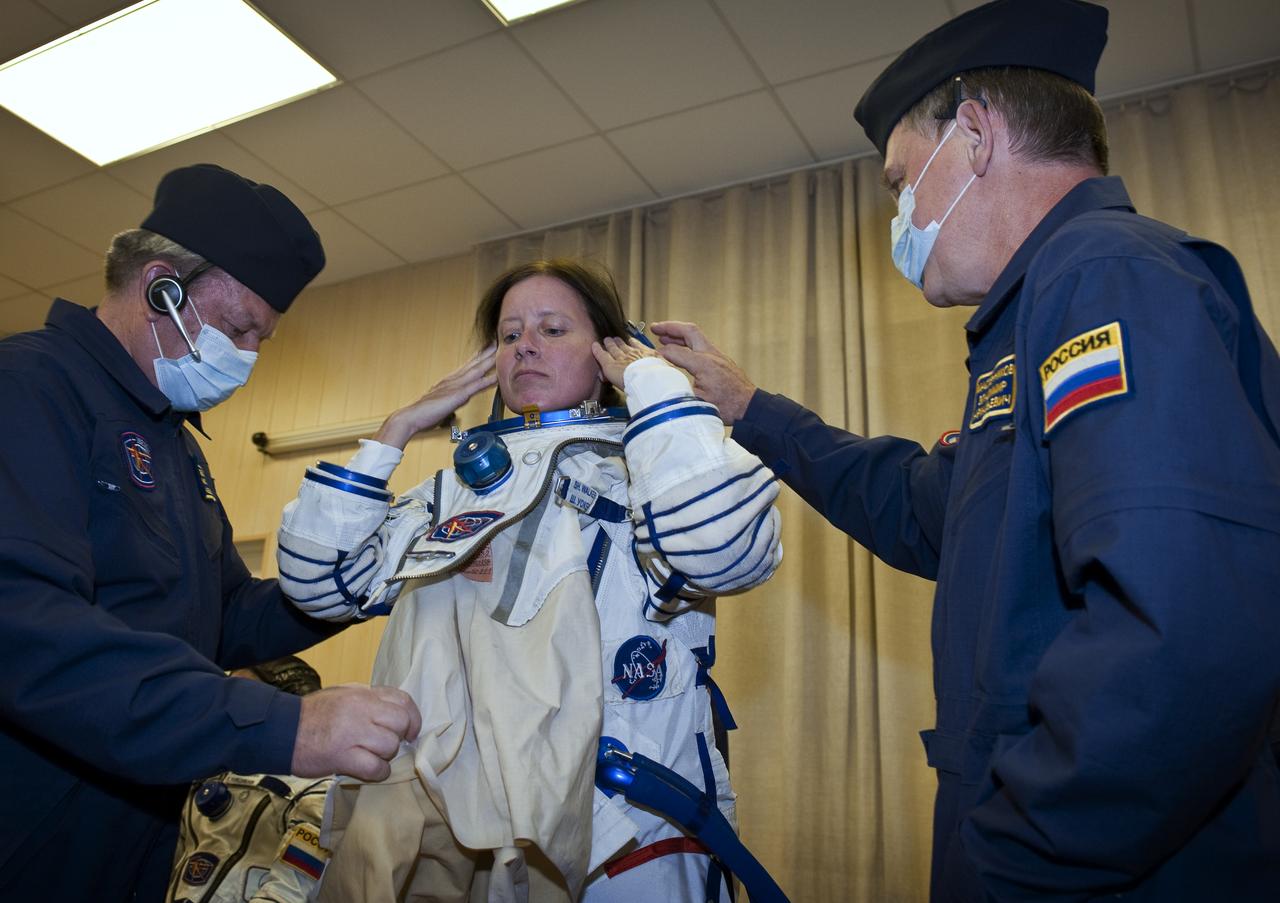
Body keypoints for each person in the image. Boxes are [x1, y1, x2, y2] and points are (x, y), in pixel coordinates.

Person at [651, 0, 1280, 899]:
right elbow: (924, 508)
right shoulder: (1037, 316)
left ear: (976, 138)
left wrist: (1012, 854)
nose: (900, 215)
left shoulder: (1105, 277)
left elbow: (1186, 633)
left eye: (901, 181)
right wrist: (751, 408)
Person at [275, 259, 784, 901]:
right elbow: (319, 583)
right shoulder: (456, 491)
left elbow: (722, 549)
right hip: (465, 828)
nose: (526, 346)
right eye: (510, 335)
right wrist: (395, 431)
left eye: (552, 328)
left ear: (608, 356)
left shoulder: (654, 470)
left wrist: (654, 384)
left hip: (630, 831)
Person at [0, 163, 421, 902]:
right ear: (160, 285)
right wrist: (284, 725)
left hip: (129, 831)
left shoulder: (174, 443)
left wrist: (362, 578)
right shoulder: (29, 388)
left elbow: (225, 618)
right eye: (237, 329)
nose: (249, 357)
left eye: (262, 338)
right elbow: (27, 628)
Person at [168, 656, 333, 903]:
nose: (228, 708)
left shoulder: (317, 790)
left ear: (287, 706)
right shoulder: (203, 775)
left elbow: (290, 891)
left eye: (242, 697)